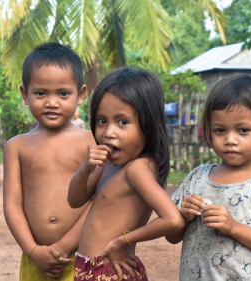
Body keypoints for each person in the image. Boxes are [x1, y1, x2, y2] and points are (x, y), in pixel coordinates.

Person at [165, 74, 251, 281]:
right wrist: (183, 218)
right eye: (220, 130)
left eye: (243, 130)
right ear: (209, 134)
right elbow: (172, 237)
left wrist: (234, 227)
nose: (230, 140)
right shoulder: (196, 178)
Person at [68, 67, 185, 281]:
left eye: (122, 122)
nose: (109, 132)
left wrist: (123, 241)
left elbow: (173, 220)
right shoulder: (108, 163)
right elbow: (75, 200)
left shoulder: (138, 169)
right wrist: (85, 168)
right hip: (90, 267)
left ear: (148, 125)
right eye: (102, 121)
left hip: (110, 271)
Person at [3, 42, 95, 280]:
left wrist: (65, 245)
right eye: (41, 93)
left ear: (81, 94)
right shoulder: (16, 146)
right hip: (35, 257)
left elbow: (98, 200)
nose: (52, 102)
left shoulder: (90, 142)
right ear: (25, 94)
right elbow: (12, 205)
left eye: (63, 93)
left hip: (81, 254)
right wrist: (33, 251)